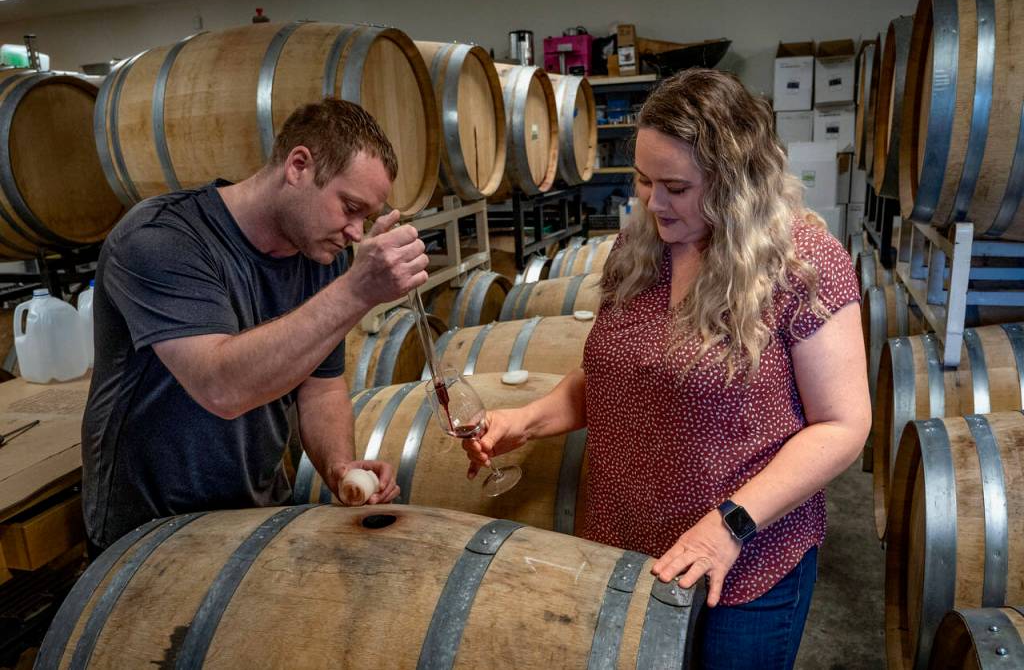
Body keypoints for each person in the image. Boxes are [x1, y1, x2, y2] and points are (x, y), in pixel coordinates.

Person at [463, 69, 869, 669]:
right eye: (644, 180)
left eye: (676, 186)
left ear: (734, 183)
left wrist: (729, 525)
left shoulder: (803, 265)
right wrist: (523, 420)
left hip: (744, 565)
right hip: (622, 552)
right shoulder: (640, 248)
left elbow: (843, 425)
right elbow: (614, 378)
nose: (654, 203)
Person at [82, 99, 429, 551]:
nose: (357, 233)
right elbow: (220, 387)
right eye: (350, 207)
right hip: (148, 531)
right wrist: (356, 291)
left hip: (253, 518)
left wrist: (340, 466)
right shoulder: (161, 239)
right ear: (298, 166)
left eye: (366, 217)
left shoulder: (317, 254)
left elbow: (321, 387)